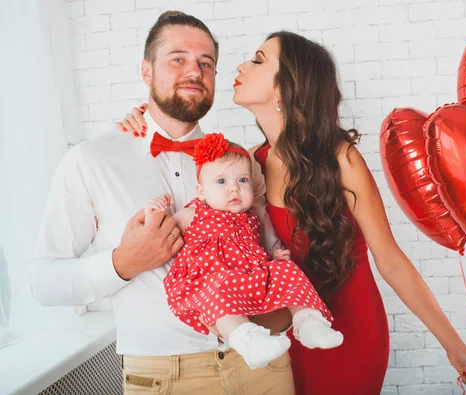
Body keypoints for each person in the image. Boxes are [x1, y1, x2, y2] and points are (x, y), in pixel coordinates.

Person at [118, 30, 466, 394]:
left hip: (347, 332)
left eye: (257, 61)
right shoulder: (250, 167)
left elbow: (391, 261)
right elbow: (193, 175)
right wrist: (138, 120)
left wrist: (455, 347)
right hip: (281, 336)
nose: (240, 67)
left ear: (286, 87)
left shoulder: (340, 158)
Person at [29, 11, 295, 394]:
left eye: (206, 63)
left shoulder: (240, 160)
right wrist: (122, 263)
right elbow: (42, 281)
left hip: (265, 369)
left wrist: (281, 313)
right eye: (178, 58)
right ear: (146, 70)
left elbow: (266, 240)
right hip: (166, 377)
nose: (194, 71)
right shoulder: (90, 160)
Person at [146, 133, 343, 369]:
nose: (234, 190)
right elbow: (158, 235)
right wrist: (153, 212)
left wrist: (275, 256)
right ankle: (248, 341)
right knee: (218, 294)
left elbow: (263, 246)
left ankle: (309, 322)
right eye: (221, 182)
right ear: (201, 191)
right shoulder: (194, 213)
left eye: (243, 181)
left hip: (250, 279)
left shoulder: (252, 217)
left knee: (286, 270)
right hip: (210, 283)